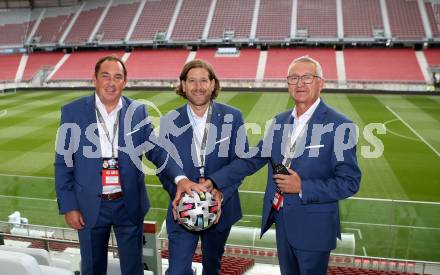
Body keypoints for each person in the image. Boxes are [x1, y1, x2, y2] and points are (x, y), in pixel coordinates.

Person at [198, 56, 362, 275]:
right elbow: (252, 158)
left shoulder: (341, 125)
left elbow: (350, 182)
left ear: (321, 83)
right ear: (288, 84)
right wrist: (214, 180)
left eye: (307, 77)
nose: (300, 83)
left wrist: (302, 187)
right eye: (294, 78)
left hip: (314, 227)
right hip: (283, 221)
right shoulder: (279, 121)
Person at [54, 56, 197, 275]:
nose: (111, 82)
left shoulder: (137, 111)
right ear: (94, 79)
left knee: (133, 269)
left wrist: (180, 178)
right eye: (105, 76)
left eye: (117, 77)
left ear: (125, 81)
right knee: (92, 268)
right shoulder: (72, 112)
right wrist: (69, 206)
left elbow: (155, 149)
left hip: (127, 204)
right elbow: (63, 163)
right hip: (89, 205)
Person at [159, 59, 247, 275]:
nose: (198, 87)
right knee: (177, 271)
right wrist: (181, 194)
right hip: (182, 209)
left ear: (213, 84)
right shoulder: (169, 120)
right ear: (183, 84)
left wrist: (220, 193)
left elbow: (241, 162)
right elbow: (163, 166)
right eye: (192, 81)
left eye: (203, 81)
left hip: (220, 209)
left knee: (212, 267)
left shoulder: (233, 117)